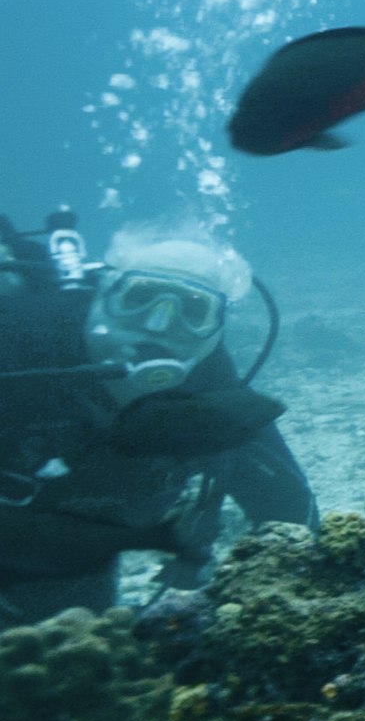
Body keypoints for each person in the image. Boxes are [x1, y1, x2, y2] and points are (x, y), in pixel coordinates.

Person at [0, 210, 311, 624]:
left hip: (68, 568)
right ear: (103, 291)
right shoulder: (18, 346)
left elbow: (291, 515)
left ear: (215, 331)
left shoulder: (214, 399)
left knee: (74, 630)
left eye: (193, 310)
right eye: (140, 296)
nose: (160, 324)